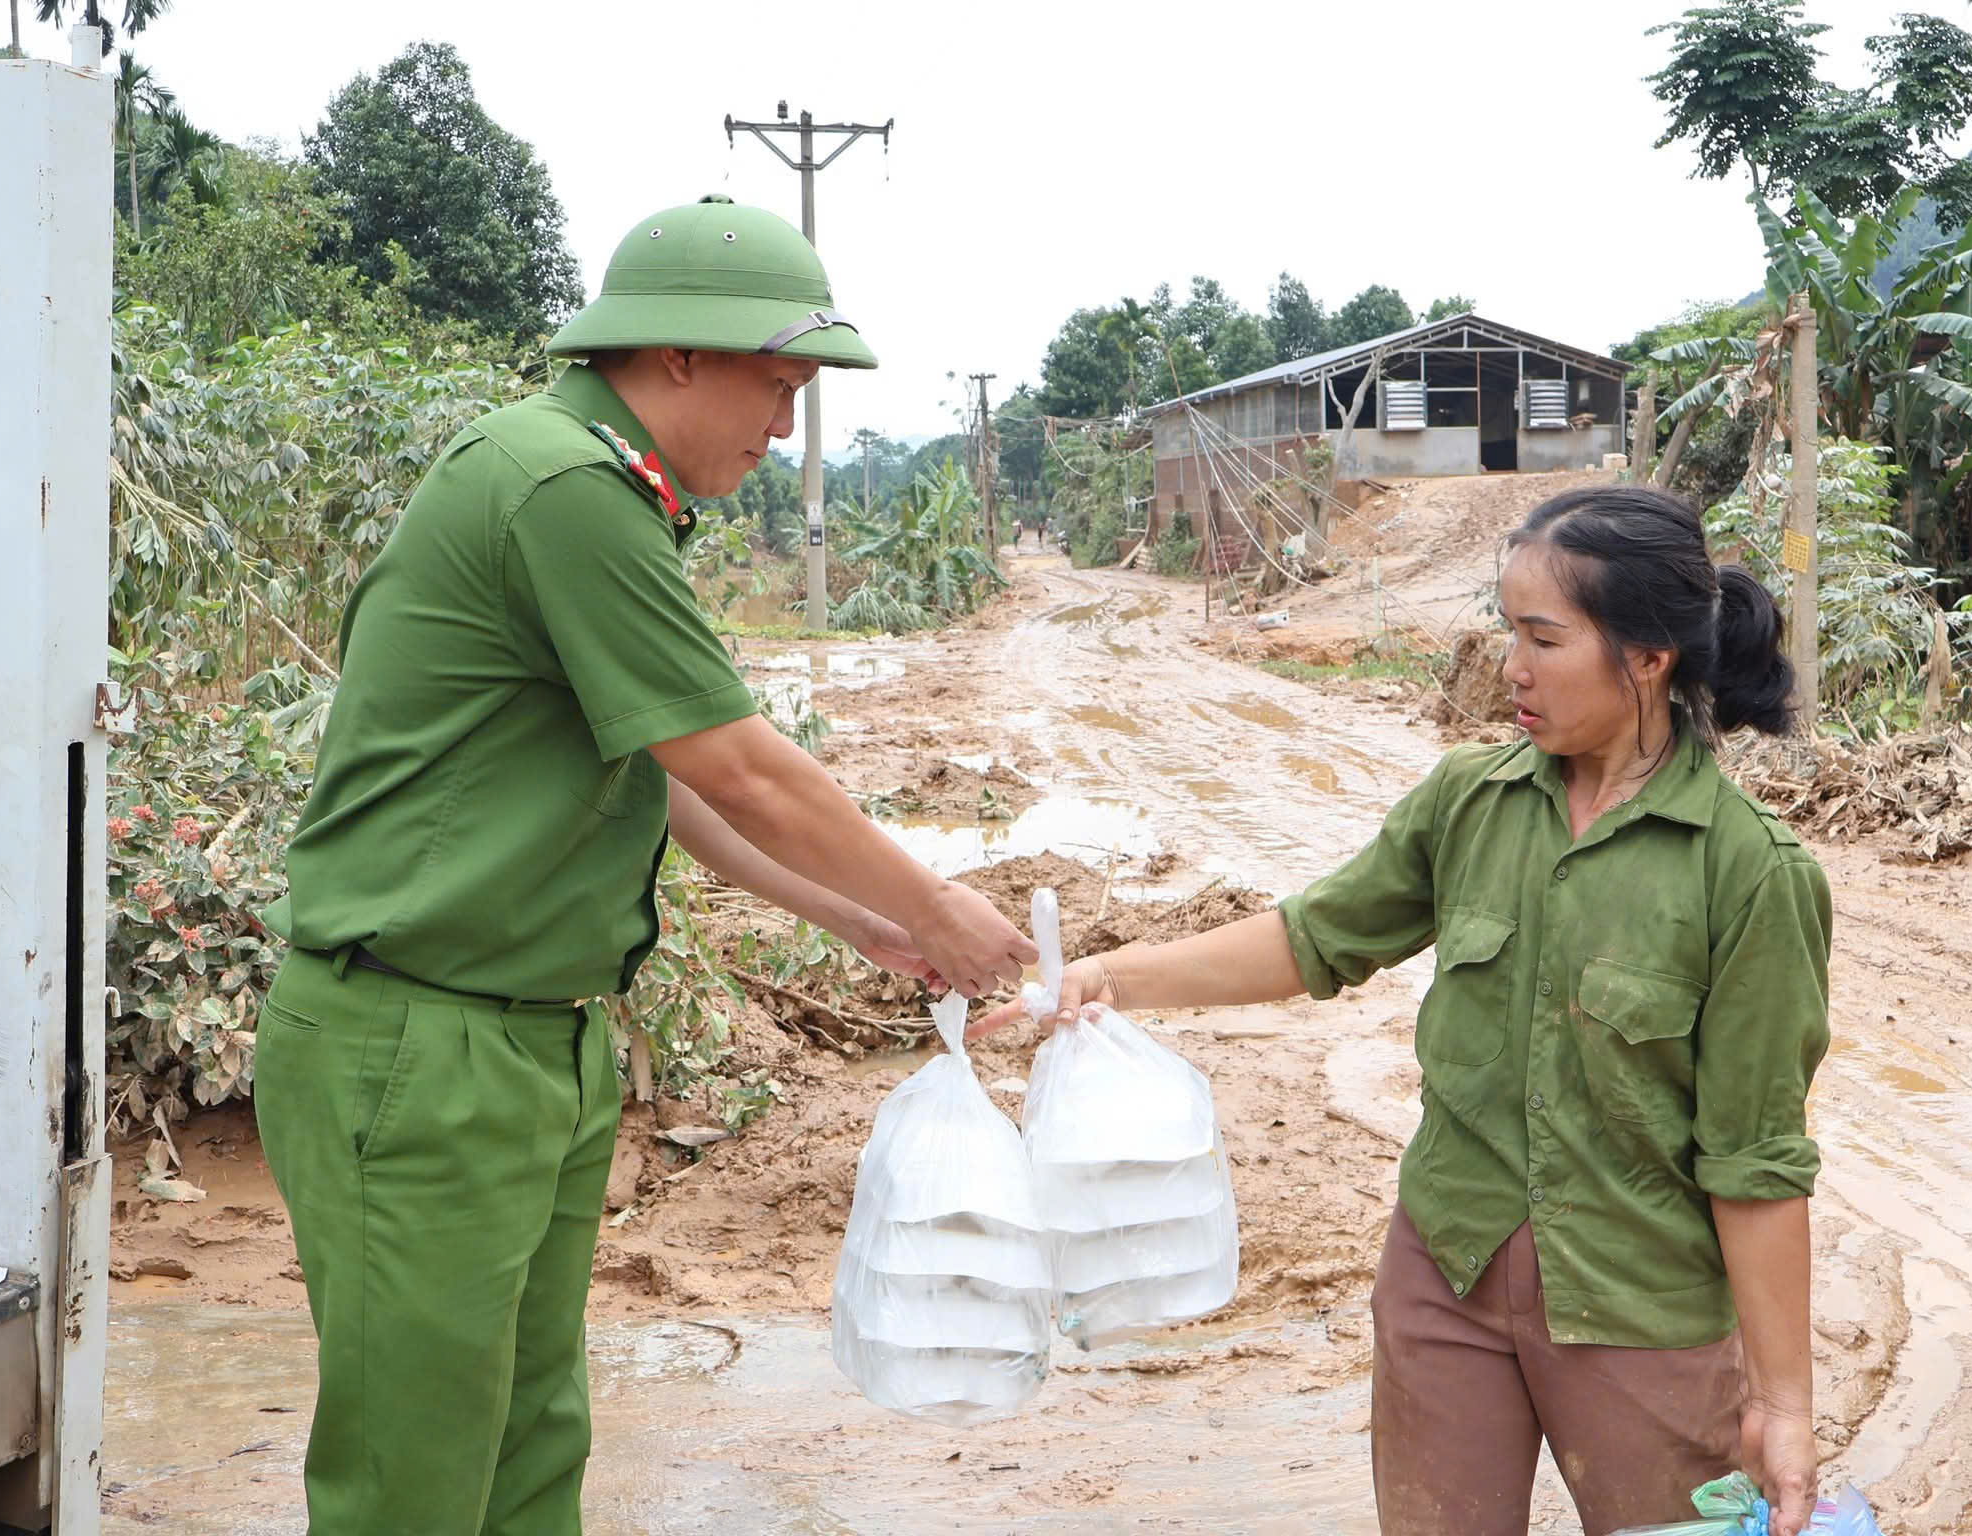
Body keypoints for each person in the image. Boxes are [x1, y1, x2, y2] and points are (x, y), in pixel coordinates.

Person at [253, 195, 1036, 1536]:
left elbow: (666, 776)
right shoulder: (562, 486)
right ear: (675, 356)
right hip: (422, 1040)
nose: (780, 428)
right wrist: (934, 905)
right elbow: (740, 765)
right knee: (413, 1479)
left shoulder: (606, 493)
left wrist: (859, 921)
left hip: (529, 1040)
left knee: (529, 1442)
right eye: (775, 389)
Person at [980, 485, 1831, 1536]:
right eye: (1507, 631)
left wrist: (1783, 1403)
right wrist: (1118, 977)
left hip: (1640, 1311)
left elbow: (1755, 1163)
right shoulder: (1469, 801)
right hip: (1445, 1280)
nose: (1511, 666)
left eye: (1543, 639)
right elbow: (1316, 936)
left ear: (1648, 657)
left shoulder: (1749, 873)